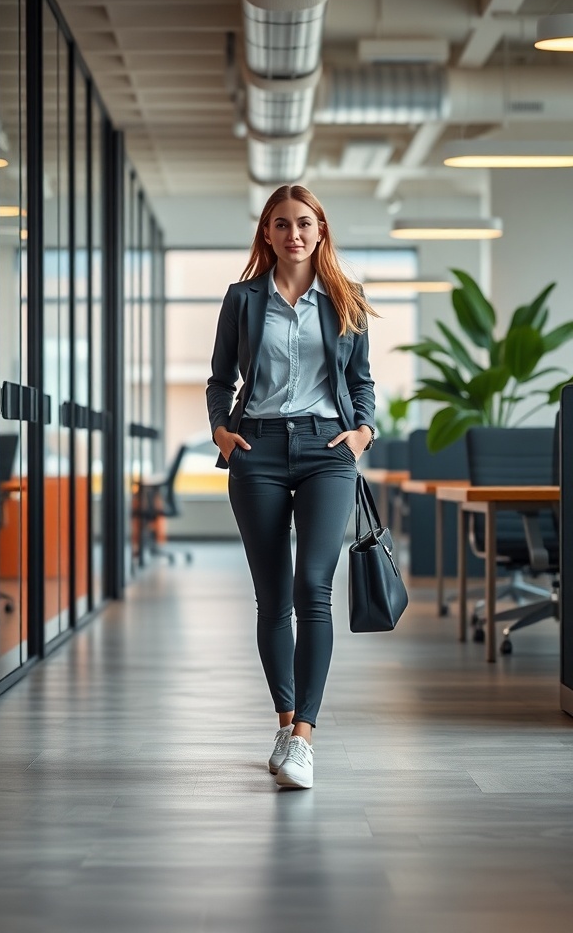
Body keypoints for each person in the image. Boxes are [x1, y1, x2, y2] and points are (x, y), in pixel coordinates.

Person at [207, 184, 377, 789]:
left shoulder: (345, 298)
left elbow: (361, 381)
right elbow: (220, 377)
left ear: (321, 230)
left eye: (304, 223)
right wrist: (222, 432)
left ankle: (304, 736)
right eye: (281, 224)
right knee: (273, 594)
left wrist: (363, 432)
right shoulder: (242, 298)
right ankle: (284, 722)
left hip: (328, 450)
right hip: (257, 449)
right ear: (267, 234)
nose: (294, 234)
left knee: (314, 586)